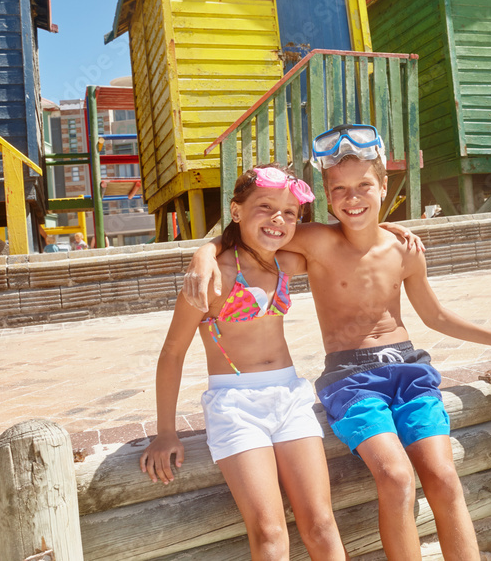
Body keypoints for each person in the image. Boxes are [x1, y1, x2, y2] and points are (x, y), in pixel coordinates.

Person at [184, 124, 491, 560]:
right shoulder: (317, 241)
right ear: (325, 193)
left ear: (384, 187)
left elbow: (433, 315)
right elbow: (249, 235)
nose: (352, 198)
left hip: (409, 370)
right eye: (339, 189)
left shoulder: (404, 250)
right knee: (395, 476)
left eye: (363, 187)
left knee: (444, 476)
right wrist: (202, 253)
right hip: (350, 378)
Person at [141, 165, 346, 561]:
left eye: (290, 212)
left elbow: (346, 238)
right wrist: (166, 432)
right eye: (265, 206)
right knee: (269, 534)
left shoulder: (286, 262)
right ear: (236, 211)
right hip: (236, 406)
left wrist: (394, 231)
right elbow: (172, 352)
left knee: (321, 523)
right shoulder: (211, 277)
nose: (278, 219)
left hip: (290, 398)